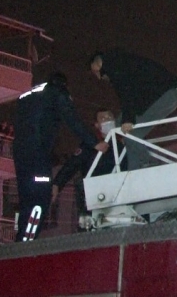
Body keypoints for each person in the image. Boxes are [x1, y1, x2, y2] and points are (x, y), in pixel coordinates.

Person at [12, 72, 108, 242]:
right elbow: (72, 120)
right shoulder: (57, 93)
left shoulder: (29, 95)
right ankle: (25, 243)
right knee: (40, 200)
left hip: (21, 155)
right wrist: (94, 142)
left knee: (27, 199)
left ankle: (21, 238)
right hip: (38, 155)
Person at [88, 49, 177, 170]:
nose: (98, 77)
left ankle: (149, 163)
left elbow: (127, 91)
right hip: (156, 97)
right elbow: (131, 92)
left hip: (162, 97)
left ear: (97, 63)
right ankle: (134, 168)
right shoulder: (120, 61)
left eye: (95, 72)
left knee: (131, 133)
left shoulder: (114, 65)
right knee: (124, 129)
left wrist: (128, 120)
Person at [51, 109, 122, 230]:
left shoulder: (121, 145)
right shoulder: (89, 145)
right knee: (88, 227)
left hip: (116, 193)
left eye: (110, 117)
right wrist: (57, 184)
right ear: (96, 125)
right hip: (91, 195)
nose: (108, 120)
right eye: (103, 118)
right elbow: (71, 165)